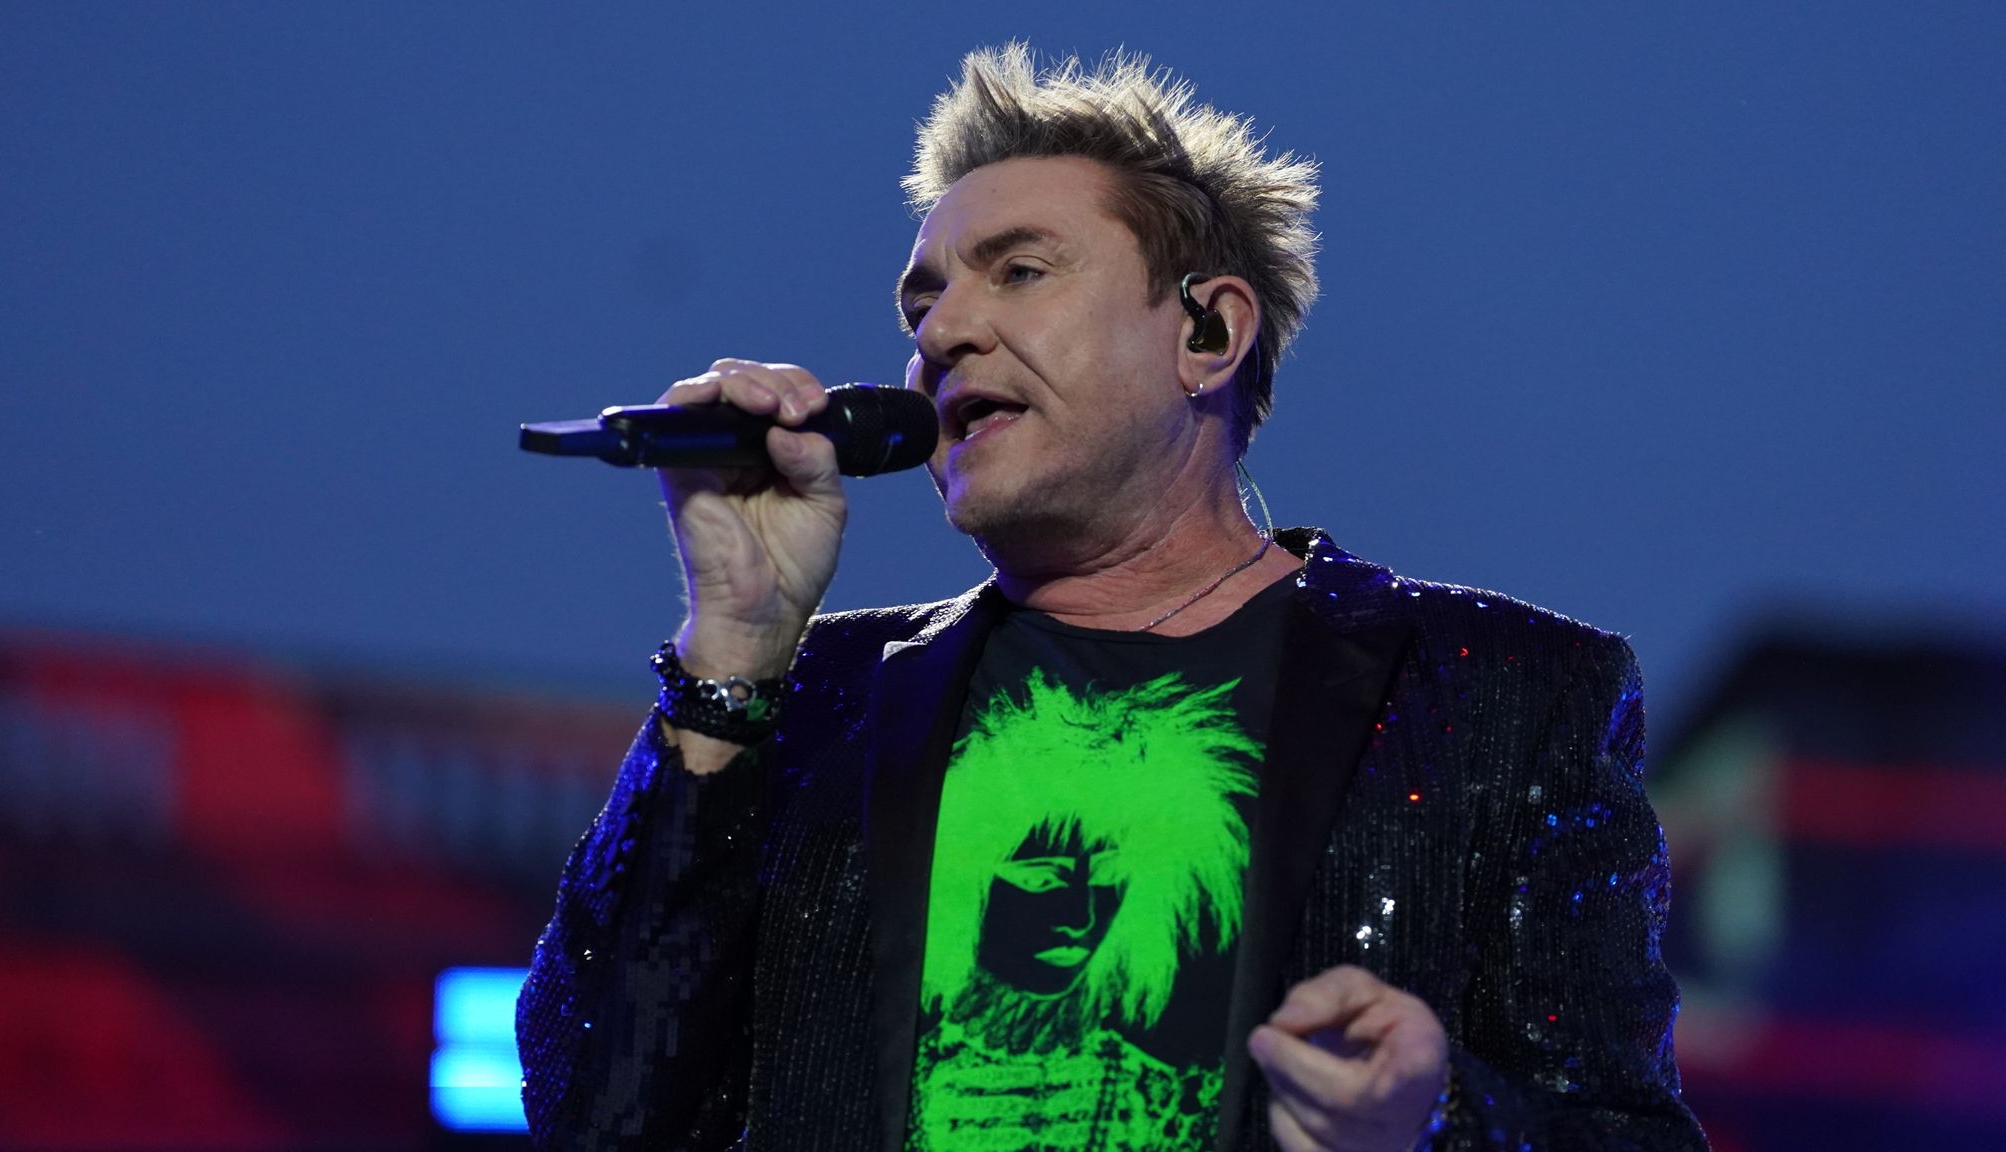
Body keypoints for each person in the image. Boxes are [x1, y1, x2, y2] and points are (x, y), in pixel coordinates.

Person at [515, 43, 1707, 1152]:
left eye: (1018, 271)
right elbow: (595, 1107)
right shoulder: (812, 697)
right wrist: (732, 646)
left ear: (1206, 331)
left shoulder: (1502, 697)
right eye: (918, 305)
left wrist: (1432, 1117)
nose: (943, 334)